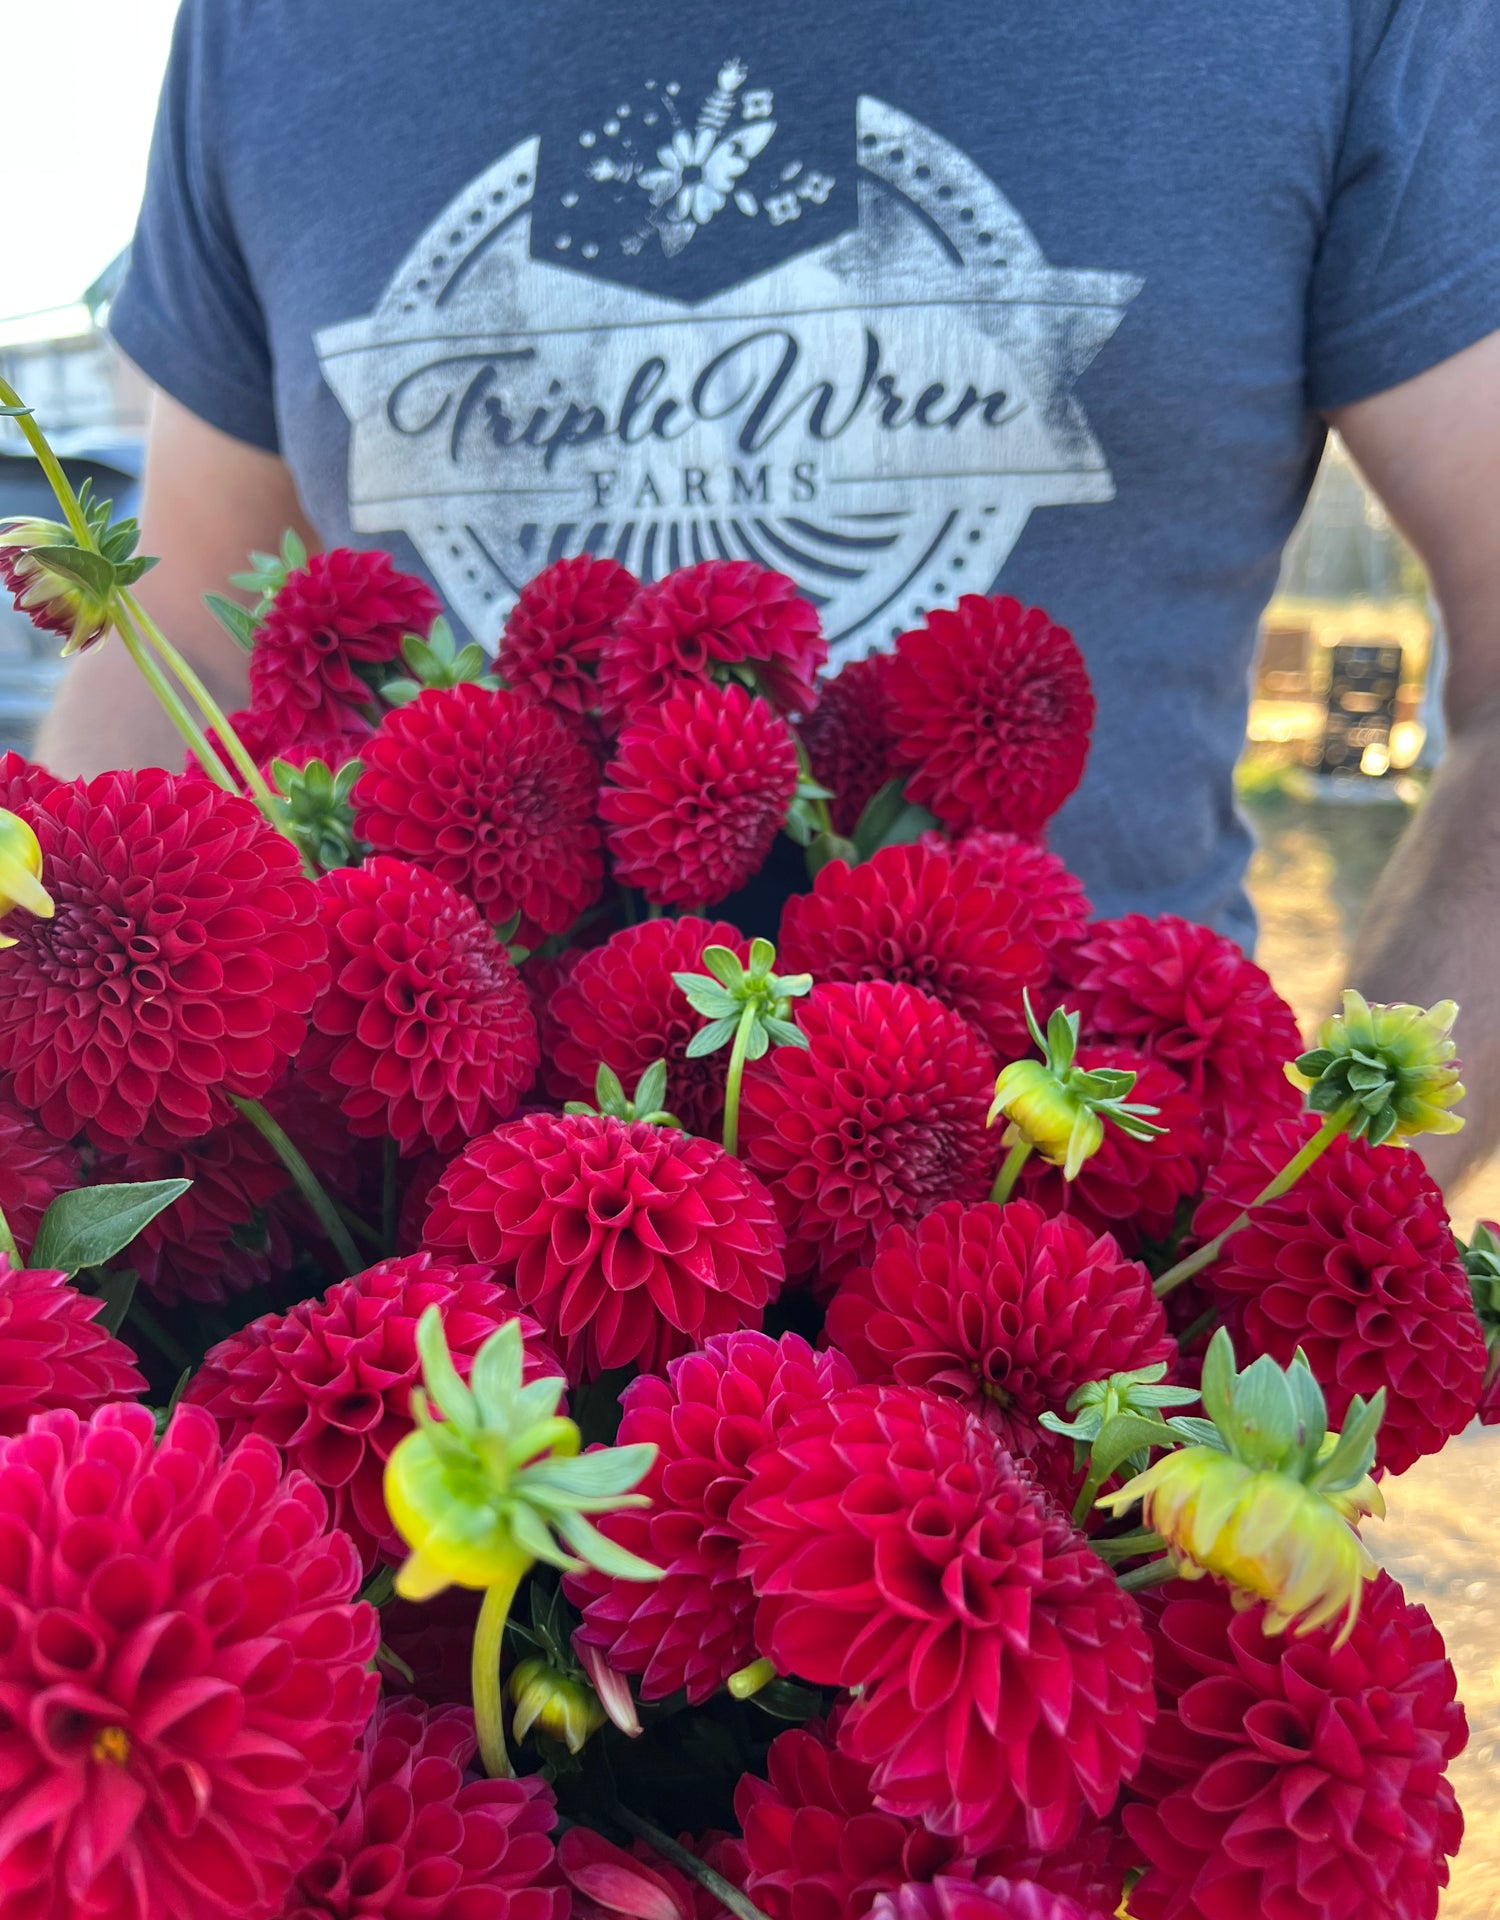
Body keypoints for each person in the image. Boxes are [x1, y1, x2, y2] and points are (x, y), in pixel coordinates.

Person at [34, 0, 1500, 1185]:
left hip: (1082, 1260)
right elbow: (180, 653)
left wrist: (1325, 1232)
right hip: (397, 1271)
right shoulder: (268, 30)